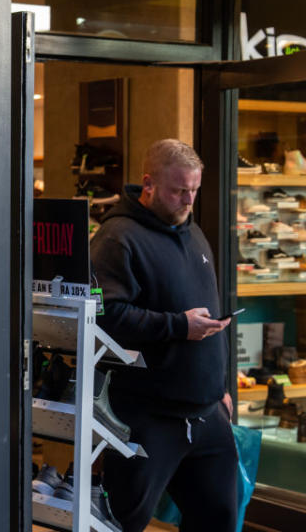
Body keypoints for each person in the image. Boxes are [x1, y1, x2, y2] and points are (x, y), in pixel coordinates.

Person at [90, 139, 237, 532]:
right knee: (123, 523)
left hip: (207, 412)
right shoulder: (117, 238)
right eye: (178, 190)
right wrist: (178, 326)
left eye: (194, 190)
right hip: (147, 415)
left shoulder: (194, 233)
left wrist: (220, 390)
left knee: (220, 518)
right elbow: (106, 317)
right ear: (148, 184)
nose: (188, 200)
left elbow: (208, 314)